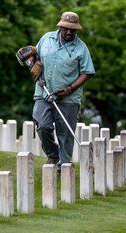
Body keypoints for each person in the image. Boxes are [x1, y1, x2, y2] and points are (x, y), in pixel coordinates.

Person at [32, 11, 95, 166]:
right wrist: (36, 63)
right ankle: (52, 155)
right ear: (60, 26)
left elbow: (87, 72)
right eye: (65, 28)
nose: (68, 32)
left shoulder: (81, 48)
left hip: (68, 98)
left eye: (72, 29)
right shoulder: (47, 38)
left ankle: (64, 166)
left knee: (65, 134)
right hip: (44, 92)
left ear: (76, 30)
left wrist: (70, 89)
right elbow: (35, 54)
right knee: (42, 124)